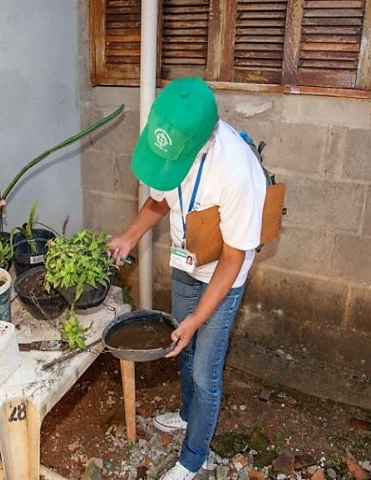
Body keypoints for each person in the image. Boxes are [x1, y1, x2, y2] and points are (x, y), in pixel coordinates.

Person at [107, 77, 266, 480]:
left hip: (222, 276)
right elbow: (158, 202)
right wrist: (129, 236)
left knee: (204, 370)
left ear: (205, 143)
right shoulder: (171, 147)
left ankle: (193, 458)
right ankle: (186, 412)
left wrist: (197, 320)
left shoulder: (238, 173)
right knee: (181, 348)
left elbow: (233, 259)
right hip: (186, 261)